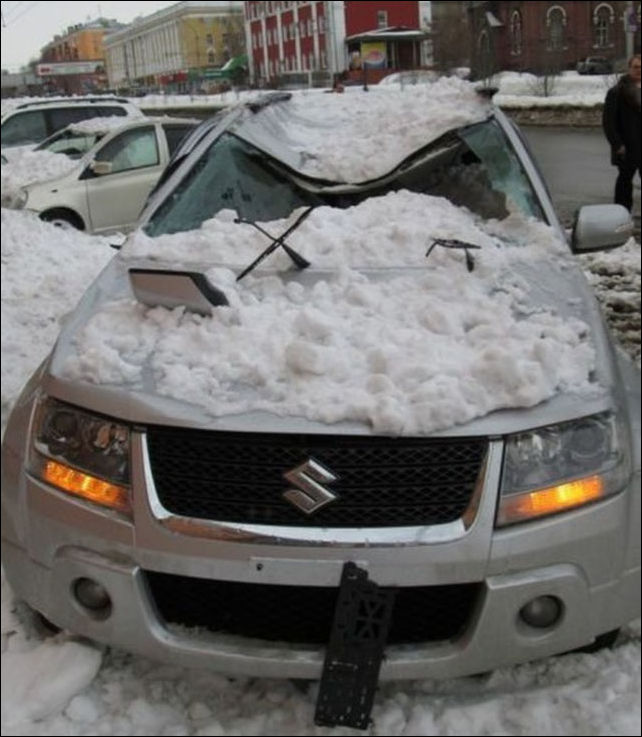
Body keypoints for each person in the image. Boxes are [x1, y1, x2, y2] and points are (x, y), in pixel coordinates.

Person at [602, 54, 641, 212]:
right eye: (636, 67)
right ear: (629, 69)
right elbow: (608, 122)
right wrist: (617, 144)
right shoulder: (617, 92)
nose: (639, 70)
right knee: (624, 182)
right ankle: (621, 214)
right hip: (626, 147)